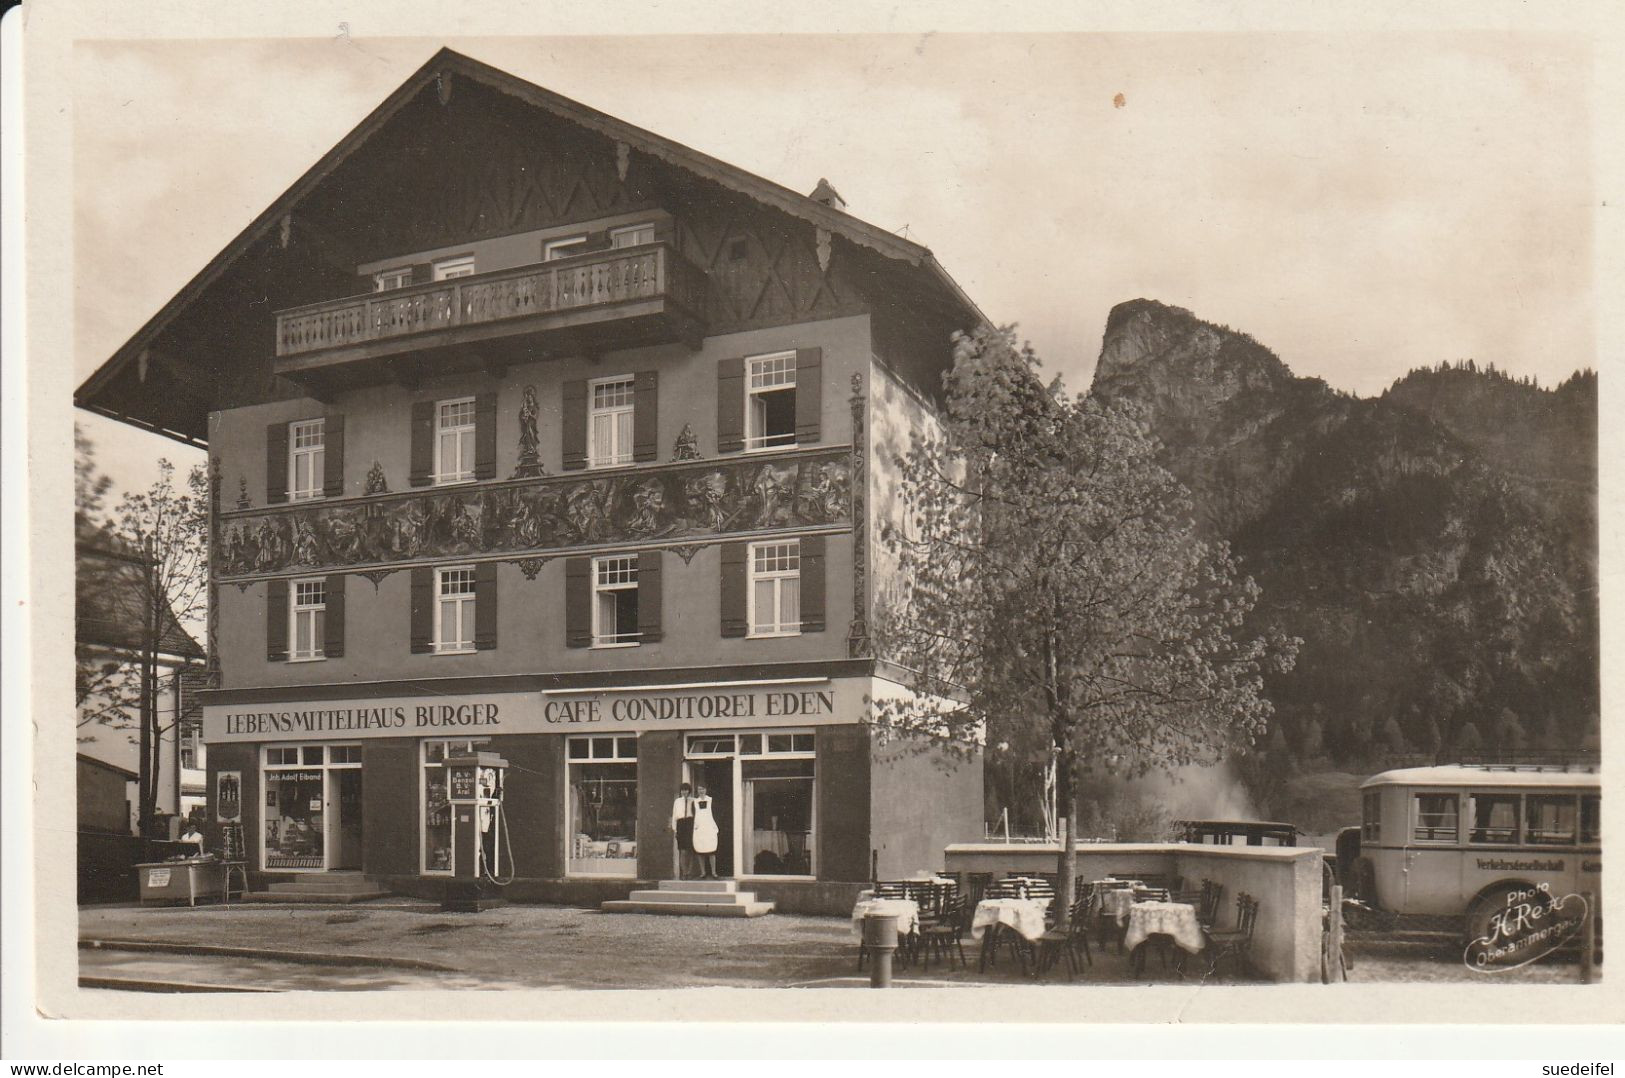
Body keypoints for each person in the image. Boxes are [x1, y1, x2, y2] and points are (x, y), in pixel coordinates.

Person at [691, 784, 720, 880]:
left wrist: (714, 827)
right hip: (699, 829)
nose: (701, 791)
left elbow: (716, 814)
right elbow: (693, 815)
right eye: (699, 789)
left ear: (706, 789)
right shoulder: (694, 802)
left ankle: (714, 872)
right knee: (700, 851)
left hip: (709, 828)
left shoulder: (711, 800)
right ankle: (703, 872)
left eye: (703, 789)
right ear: (697, 790)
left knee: (712, 851)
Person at [669, 783, 696, 880]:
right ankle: (684, 872)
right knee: (683, 851)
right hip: (681, 825)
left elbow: (697, 815)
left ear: (689, 791)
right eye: (682, 790)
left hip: (690, 824)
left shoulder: (694, 801)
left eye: (686, 790)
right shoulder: (677, 801)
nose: (684, 792)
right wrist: (675, 829)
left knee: (691, 850)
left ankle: (690, 872)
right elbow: (674, 815)